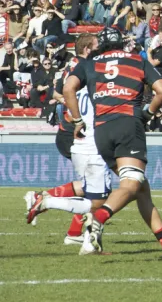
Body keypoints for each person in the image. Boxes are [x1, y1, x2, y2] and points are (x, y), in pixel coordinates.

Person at [62, 27, 162, 260]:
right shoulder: (137, 60)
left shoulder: (89, 63)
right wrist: (148, 114)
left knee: (141, 189)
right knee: (132, 184)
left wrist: (77, 121)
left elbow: (68, 88)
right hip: (128, 124)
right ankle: (98, 219)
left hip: (101, 130)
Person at [24, 35, 110, 244]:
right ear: (88, 49)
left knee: (90, 187)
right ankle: (46, 200)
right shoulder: (85, 67)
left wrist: (72, 103)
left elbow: (58, 91)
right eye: (98, 46)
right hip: (76, 131)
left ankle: (73, 233)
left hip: (72, 129)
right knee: (94, 193)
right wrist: (78, 113)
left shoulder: (73, 64)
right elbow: (64, 92)